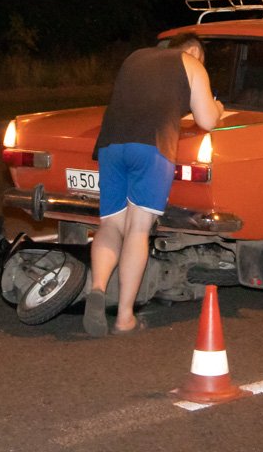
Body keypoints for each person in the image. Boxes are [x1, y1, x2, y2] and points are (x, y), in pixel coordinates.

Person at [84, 32, 223, 337]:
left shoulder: (136, 57)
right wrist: (218, 107)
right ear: (194, 52)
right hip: (152, 146)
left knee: (110, 225)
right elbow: (208, 120)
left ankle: (97, 288)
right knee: (137, 229)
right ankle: (124, 317)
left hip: (110, 144)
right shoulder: (192, 64)